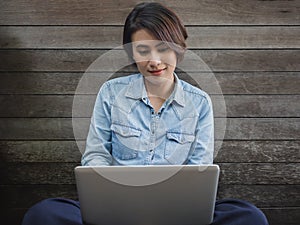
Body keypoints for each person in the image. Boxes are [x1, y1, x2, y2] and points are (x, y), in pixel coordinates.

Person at [22, 2, 269, 225]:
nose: (154, 61)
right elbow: (96, 155)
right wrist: (109, 199)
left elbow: (200, 168)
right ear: (131, 54)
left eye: (162, 49)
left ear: (179, 49)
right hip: (117, 208)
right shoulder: (110, 93)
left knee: (249, 217)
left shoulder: (200, 103)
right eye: (142, 50)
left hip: (177, 210)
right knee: (43, 214)